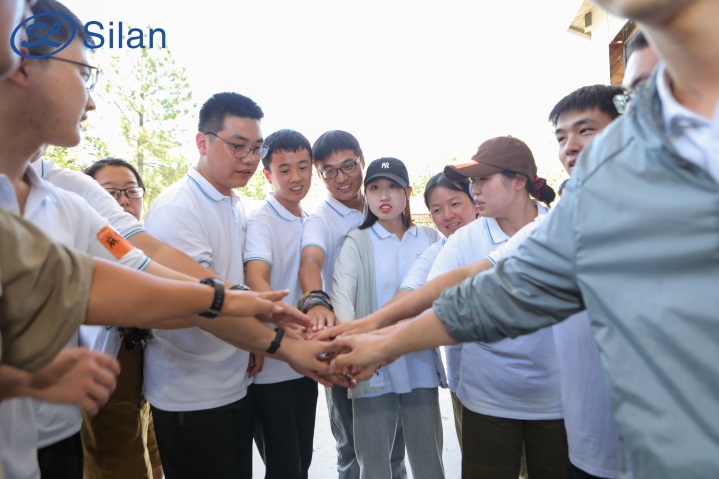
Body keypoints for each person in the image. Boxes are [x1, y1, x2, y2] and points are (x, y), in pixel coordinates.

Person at [326, 0, 719, 476]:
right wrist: (374, 338)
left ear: (520, 182)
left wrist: (378, 340)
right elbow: (493, 290)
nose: (648, 115)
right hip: (588, 436)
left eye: (669, 90)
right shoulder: (586, 209)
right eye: (634, 99)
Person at [143, 91, 269, 479]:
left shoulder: (234, 203)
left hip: (233, 383)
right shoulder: (178, 207)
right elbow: (206, 301)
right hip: (190, 396)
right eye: (238, 146)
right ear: (202, 142)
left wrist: (251, 342)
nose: (249, 159)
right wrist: (272, 338)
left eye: (257, 148)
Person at [299, 130, 407, 479]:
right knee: (353, 449)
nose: (341, 177)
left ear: (362, 160)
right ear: (319, 174)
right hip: (346, 345)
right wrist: (316, 301)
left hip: (391, 341)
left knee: (395, 446)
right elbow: (310, 261)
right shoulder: (321, 220)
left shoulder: (379, 205)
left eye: (348, 166)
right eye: (329, 171)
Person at [332, 157, 444, 479]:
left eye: (393, 187)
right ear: (365, 194)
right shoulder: (357, 241)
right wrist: (354, 349)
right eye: (375, 188)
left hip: (419, 362)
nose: (384, 196)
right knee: (374, 462)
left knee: (428, 458)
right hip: (373, 366)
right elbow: (342, 299)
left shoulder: (429, 238)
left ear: (408, 193)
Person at [82, 158, 163, 479]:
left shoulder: (141, 250)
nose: (124, 201)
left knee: (155, 463)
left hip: (145, 385)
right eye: (110, 193)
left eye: (131, 190)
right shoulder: (81, 247)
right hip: (102, 386)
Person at [244, 129, 318, 479]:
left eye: (303, 166)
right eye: (284, 169)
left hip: (306, 363)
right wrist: (292, 327)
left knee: (301, 461)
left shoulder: (310, 221)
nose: (296, 177)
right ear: (267, 174)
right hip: (272, 368)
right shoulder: (261, 222)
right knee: (285, 468)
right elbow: (256, 280)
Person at [394, 172, 476, 447]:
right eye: (437, 209)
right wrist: (367, 333)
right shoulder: (437, 251)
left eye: (455, 204)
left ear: (475, 200)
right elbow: (408, 294)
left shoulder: (503, 239)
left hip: (530, 388)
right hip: (466, 387)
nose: (447, 215)